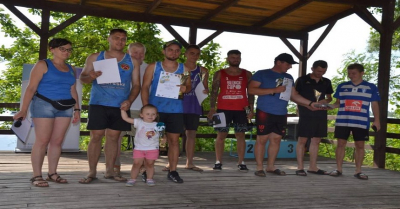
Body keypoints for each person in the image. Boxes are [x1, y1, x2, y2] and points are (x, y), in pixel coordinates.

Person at [13, 38, 80, 187]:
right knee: (42, 141)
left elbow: (73, 90)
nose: (66, 52)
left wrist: (77, 109)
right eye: (63, 49)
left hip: (66, 107)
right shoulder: (43, 64)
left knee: (57, 142)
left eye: (69, 49)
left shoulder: (71, 68)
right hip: (44, 105)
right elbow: (31, 88)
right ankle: (37, 176)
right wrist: (23, 109)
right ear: (52, 49)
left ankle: (52, 173)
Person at [78, 29, 140, 184]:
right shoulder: (95, 57)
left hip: (119, 106)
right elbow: (82, 78)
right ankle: (92, 172)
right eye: (116, 38)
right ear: (109, 39)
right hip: (98, 103)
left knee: (113, 138)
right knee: (96, 136)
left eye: (123, 39)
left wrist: (129, 101)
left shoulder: (132, 61)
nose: (120, 41)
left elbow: (137, 85)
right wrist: (90, 76)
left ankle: (110, 171)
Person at [248, 53, 321, 177]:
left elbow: (293, 96)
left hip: (281, 112)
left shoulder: (289, 77)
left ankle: (271, 166)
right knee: (262, 139)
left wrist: (310, 103)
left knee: (276, 139)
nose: (290, 67)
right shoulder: (262, 73)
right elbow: (251, 90)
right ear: (278, 62)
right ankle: (259, 168)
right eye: (288, 64)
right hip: (264, 111)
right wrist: (273, 90)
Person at [141, 40, 191, 183]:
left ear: (179, 53)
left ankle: (173, 171)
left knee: (174, 141)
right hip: (155, 111)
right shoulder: (154, 66)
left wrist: (184, 89)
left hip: (175, 110)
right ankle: (146, 170)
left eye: (176, 50)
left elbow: (188, 87)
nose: (173, 52)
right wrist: (146, 108)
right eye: (170, 50)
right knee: (150, 140)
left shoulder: (184, 68)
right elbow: (144, 87)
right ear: (164, 51)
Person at [329, 63, 380, 180]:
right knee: (340, 144)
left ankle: (358, 171)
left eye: (354, 73)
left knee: (360, 145)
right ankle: (338, 169)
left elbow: (375, 104)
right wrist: (326, 106)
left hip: (361, 121)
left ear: (362, 73)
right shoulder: (342, 86)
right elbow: (337, 103)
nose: (351, 76)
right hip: (343, 120)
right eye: (349, 73)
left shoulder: (371, 87)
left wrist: (377, 120)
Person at [207, 49, 254, 172]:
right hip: (222, 109)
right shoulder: (219, 73)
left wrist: (251, 109)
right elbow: (214, 92)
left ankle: (241, 162)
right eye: (233, 57)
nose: (235, 60)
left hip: (242, 109)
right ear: (228, 59)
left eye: (238, 57)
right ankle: (218, 162)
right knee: (221, 135)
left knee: (241, 135)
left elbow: (251, 93)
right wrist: (212, 109)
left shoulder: (247, 74)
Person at [114, 42, 148, 177]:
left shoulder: (149, 68)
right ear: (128, 53)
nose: (138, 56)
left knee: (143, 140)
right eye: (135, 52)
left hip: (141, 109)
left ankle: (143, 166)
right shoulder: (118, 66)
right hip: (121, 107)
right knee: (116, 138)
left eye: (141, 53)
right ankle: (115, 166)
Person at [294, 60, 333, 176]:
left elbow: (329, 98)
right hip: (306, 113)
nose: (321, 74)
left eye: (323, 72)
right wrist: (308, 105)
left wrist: (325, 101)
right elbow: (295, 97)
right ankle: (300, 167)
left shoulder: (326, 81)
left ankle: (313, 167)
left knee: (316, 140)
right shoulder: (301, 80)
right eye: (318, 71)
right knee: (302, 140)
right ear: (312, 68)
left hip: (320, 113)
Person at [183, 45, 209, 171]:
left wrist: (205, 91)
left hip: (194, 105)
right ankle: (170, 162)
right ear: (185, 54)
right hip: (179, 105)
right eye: (192, 53)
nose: (194, 56)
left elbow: (205, 88)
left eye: (197, 54)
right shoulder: (178, 68)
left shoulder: (203, 71)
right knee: (173, 134)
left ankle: (190, 162)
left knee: (191, 134)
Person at [121, 104, 160, 187]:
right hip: (139, 148)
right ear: (141, 115)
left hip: (153, 148)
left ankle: (149, 178)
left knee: (150, 164)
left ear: (156, 115)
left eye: (153, 114)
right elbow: (126, 118)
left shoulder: (158, 125)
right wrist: (123, 110)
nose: (150, 116)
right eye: (148, 114)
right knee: (136, 164)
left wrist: (164, 138)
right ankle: (132, 179)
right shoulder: (138, 122)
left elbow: (163, 134)